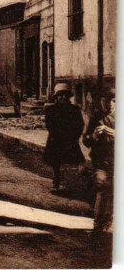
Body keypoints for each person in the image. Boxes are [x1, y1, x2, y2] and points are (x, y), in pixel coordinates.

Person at [83, 88, 115, 240]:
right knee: (102, 189)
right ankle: (98, 225)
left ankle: (108, 222)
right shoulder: (97, 118)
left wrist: (113, 132)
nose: (109, 104)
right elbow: (86, 140)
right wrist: (94, 136)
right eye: (106, 100)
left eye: (113, 101)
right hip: (101, 161)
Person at [43, 83, 85, 192]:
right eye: (60, 95)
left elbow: (80, 124)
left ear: (69, 97)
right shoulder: (50, 110)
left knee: (79, 161)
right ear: (56, 97)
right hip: (56, 139)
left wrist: (74, 136)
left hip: (70, 139)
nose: (63, 98)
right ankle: (55, 182)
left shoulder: (74, 109)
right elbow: (50, 125)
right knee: (55, 162)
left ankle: (81, 184)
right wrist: (58, 135)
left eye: (65, 95)